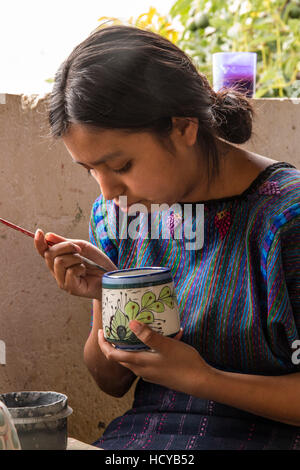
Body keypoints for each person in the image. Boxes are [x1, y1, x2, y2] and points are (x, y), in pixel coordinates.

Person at [34, 25, 300, 450]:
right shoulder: (117, 217)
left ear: (183, 128)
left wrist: (203, 380)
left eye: (120, 165)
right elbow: (112, 384)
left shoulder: (286, 217)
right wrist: (108, 292)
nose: (107, 193)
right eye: (90, 171)